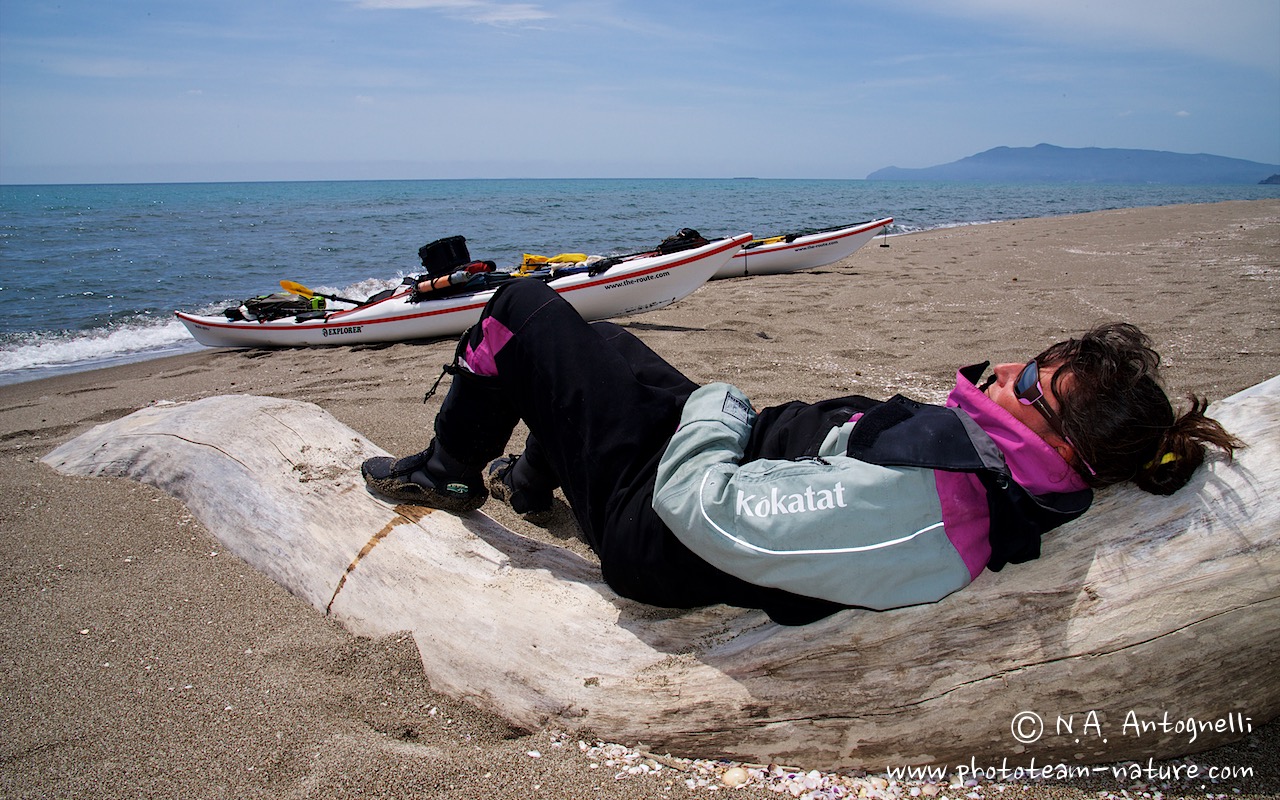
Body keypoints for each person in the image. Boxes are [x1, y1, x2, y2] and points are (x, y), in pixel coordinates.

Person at [362, 280, 1241, 625]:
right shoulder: (999, 473)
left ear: (1066, 443)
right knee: (611, 356)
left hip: (657, 519)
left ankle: (448, 473)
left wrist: (717, 404)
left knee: (520, 311)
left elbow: (704, 512)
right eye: (1042, 357)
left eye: (1035, 382)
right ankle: (529, 474)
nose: (1010, 369)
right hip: (714, 459)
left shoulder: (932, 505)